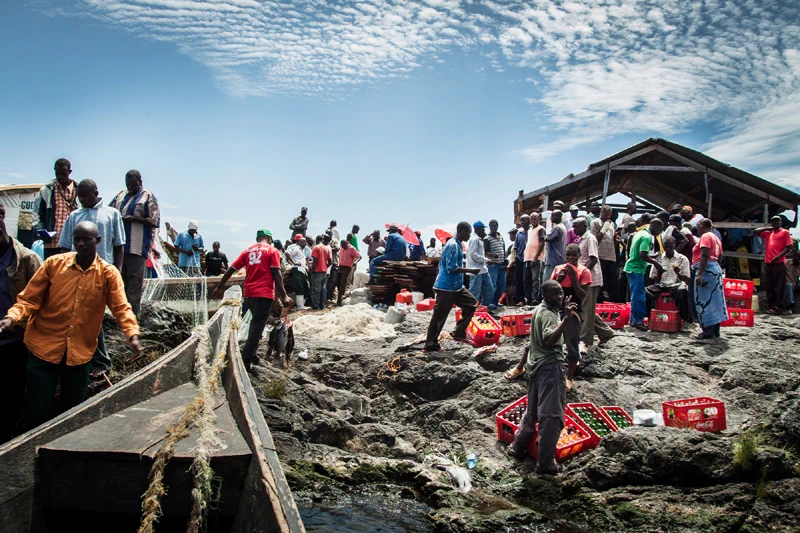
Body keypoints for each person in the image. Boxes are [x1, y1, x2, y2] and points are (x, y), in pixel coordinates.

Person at [0, 222, 142, 429]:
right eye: (77, 239)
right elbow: (29, 300)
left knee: (72, 412)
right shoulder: (53, 265)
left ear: (98, 241)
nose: (82, 244)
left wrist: (132, 335)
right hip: (42, 348)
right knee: (38, 409)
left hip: (79, 353)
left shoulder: (108, 274)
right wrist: (11, 317)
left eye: (87, 239)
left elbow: (121, 307)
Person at [508, 280, 578, 474]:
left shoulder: (541, 309)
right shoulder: (548, 314)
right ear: (545, 296)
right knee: (552, 416)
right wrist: (566, 320)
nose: (560, 297)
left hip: (536, 366)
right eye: (555, 294)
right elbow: (548, 341)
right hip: (549, 367)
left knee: (532, 412)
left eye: (561, 293)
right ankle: (546, 464)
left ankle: (518, 447)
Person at [58, 179, 126, 378]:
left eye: (86, 196)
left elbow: (119, 245)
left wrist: (118, 270)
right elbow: (64, 245)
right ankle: (74, 355)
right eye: (80, 197)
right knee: (74, 313)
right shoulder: (74, 216)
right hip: (75, 272)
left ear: (96, 192)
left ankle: (101, 360)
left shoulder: (111, 214)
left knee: (93, 315)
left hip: (100, 272)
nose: (82, 200)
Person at [212, 229, 290, 373]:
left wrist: (219, 287)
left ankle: (252, 355)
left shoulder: (247, 251)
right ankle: (246, 361)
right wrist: (284, 296)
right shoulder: (272, 251)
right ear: (268, 238)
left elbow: (231, 270)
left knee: (255, 326)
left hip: (248, 295)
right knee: (256, 329)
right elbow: (276, 274)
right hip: (264, 294)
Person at [0, 211, 43, 442]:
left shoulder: (26, 259)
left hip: (16, 341)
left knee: (10, 402)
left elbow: (41, 302)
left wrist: (16, 323)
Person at [108, 169, 160, 317]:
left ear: (140, 183)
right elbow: (110, 211)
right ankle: (119, 316)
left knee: (134, 285)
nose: (130, 188)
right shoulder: (120, 195)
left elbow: (154, 220)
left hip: (137, 247)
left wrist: (133, 219)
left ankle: (132, 318)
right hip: (119, 247)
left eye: (133, 185)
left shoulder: (148, 197)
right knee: (119, 282)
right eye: (128, 185)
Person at [424, 222, 480, 352]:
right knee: (439, 316)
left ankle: (458, 333)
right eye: (468, 232)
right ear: (462, 231)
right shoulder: (453, 245)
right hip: (446, 287)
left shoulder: (458, 244)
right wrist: (470, 270)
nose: (469, 235)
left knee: (471, 304)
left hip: (456, 286)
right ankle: (430, 344)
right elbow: (451, 268)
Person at [551, 244, 591, 391]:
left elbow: (582, 296)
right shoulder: (558, 269)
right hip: (556, 310)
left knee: (572, 344)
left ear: (579, 255)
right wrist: (559, 279)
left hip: (574, 311)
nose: (570, 258)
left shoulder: (584, 271)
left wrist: (573, 278)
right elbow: (550, 290)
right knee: (549, 341)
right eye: (568, 255)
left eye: (573, 255)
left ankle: (569, 378)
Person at [574, 218, 614, 349]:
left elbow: (593, 259)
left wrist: (582, 274)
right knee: (588, 308)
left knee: (586, 309)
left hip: (591, 280)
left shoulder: (590, 238)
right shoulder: (582, 239)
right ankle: (606, 333)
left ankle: (585, 340)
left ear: (584, 226)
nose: (574, 230)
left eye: (577, 227)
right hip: (585, 279)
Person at [625, 219, 665, 330]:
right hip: (636, 268)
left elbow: (639, 253)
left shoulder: (640, 233)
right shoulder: (647, 237)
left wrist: (652, 257)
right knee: (639, 296)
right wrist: (656, 264)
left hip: (632, 267)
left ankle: (633, 320)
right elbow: (642, 255)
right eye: (660, 230)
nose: (659, 233)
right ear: (656, 227)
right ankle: (638, 321)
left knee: (635, 295)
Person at [34, 158, 79, 259]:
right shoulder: (46, 190)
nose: (59, 177)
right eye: (57, 173)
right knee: (52, 273)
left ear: (70, 172)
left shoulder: (78, 190)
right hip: (52, 243)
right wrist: (39, 230)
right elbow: (36, 213)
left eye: (63, 174)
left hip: (72, 245)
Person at [693, 219, 728, 339]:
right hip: (715, 269)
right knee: (716, 301)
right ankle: (715, 331)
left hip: (706, 269)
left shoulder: (706, 236)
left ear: (702, 226)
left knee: (704, 300)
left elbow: (704, 254)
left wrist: (700, 274)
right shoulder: (716, 237)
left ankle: (707, 331)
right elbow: (720, 257)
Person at [753, 216, 794, 314]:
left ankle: (778, 306)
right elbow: (755, 231)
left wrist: (777, 257)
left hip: (779, 263)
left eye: (777, 221)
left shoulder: (784, 232)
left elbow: (788, 247)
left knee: (779, 286)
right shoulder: (768, 233)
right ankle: (771, 306)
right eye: (774, 222)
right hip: (768, 263)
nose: (776, 223)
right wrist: (768, 228)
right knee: (769, 285)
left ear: (781, 222)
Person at [646, 236, 691, 322]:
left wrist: (678, 273)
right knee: (645, 291)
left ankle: (685, 319)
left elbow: (686, 279)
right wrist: (660, 273)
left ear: (674, 245)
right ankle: (649, 317)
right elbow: (654, 278)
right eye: (665, 246)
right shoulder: (658, 259)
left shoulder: (682, 259)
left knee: (683, 291)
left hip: (676, 285)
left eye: (670, 246)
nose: (668, 249)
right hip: (661, 285)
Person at [592, 206, 618, 302]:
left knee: (611, 281)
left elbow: (611, 240)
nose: (607, 215)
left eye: (609, 214)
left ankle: (612, 301)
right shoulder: (595, 222)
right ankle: (599, 301)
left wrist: (616, 237)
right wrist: (603, 229)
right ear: (601, 212)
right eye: (605, 213)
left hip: (611, 256)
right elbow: (594, 239)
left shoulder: (611, 224)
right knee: (601, 280)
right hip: (600, 255)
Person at [467, 221, 494, 306]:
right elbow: (473, 254)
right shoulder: (475, 239)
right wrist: (486, 260)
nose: (484, 230)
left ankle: (484, 307)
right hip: (476, 270)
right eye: (482, 228)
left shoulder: (479, 239)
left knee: (489, 289)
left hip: (482, 269)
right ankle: (470, 309)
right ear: (478, 229)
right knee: (474, 292)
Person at [524, 213, 546, 305]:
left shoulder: (541, 229)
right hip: (527, 258)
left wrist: (535, 257)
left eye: (535, 219)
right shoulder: (529, 230)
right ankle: (528, 299)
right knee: (527, 280)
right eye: (531, 219)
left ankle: (535, 299)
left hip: (536, 258)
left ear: (538, 219)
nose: (533, 221)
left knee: (536, 279)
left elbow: (541, 243)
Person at [484, 220, 506, 309]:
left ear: (497, 226)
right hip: (492, 265)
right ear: (489, 227)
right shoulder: (487, 238)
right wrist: (491, 255)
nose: (493, 228)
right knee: (492, 285)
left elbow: (503, 251)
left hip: (501, 265)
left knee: (501, 285)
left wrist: (504, 261)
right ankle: (490, 303)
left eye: (494, 226)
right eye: (491, 226)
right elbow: (485, 252)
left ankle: (496, 301)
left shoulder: (501, 237)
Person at [285, 235, 310, 309]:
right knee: (300, 288)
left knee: (306, 286)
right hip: (297, 269)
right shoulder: (296, 248)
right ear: (298, 242)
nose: (304, 243)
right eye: (302, 241)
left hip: (302, 269)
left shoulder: (302, 250)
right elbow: (287, 253)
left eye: (305, 241)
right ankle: (300, 306)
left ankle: (302, 304)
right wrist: (293, 262)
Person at [543, 210, 567, 286]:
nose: (551, 218)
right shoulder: (563, 227)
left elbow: (547, 238)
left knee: (547, 282)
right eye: (551, 216)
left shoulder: (557, 227)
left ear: (559, 217)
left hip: (553, 260)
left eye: (553, 216)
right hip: (559, 258)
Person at [336, 239, 361, 305]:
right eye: (342, 246)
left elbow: (359, 256)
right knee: (337, 282)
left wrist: (355, 262)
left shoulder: (351, 248)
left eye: (345, 246)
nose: (344, 247)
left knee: (342, 283)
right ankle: (342, 295)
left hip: (347, 267)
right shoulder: (341, 247)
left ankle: (339, 300)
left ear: (347, 244)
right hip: (340, 266)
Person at [310, 235, 331, 309]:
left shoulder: (316, 247)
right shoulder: (326, 248)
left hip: (317, 272)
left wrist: (312, 271)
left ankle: (315, 306)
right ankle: (321, 306)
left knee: (316, 290)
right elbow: (330, 261)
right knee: (322, 290)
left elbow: (314, 261)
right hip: (324, 272)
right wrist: (325, 266)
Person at [514, 215, 530, 305]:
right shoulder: (519, 233)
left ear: (529, 221)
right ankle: (521, 300)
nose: (522, 222)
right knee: (519, 280)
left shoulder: (532, 232)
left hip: (530, 259)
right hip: (520, 259)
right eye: (521, 220)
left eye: (524, 220)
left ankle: (529, 299)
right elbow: (515, 247)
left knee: (528, 280)